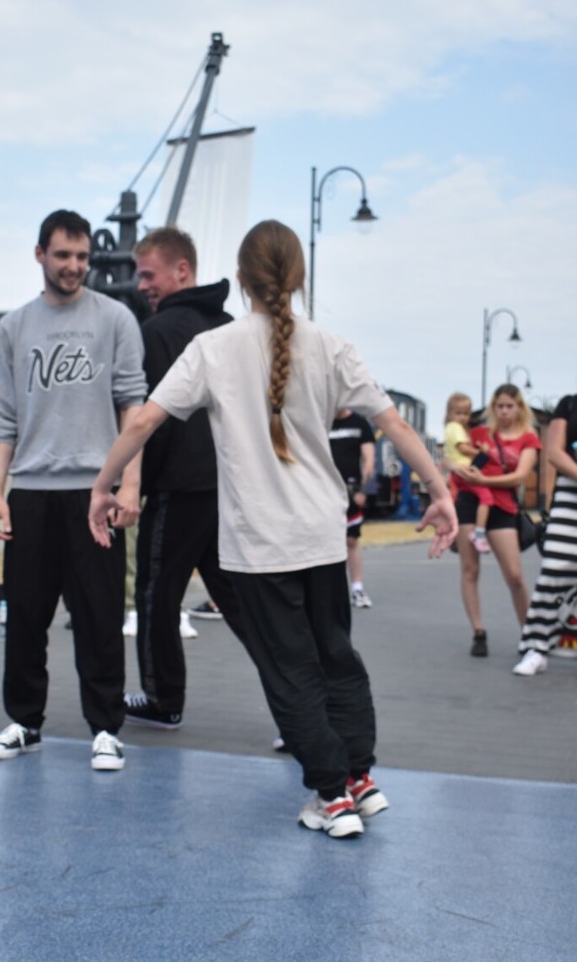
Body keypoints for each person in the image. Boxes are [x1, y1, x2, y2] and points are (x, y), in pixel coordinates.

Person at [90, 219, 457, 838]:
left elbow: (143, 423)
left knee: (291, 669)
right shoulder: (333, 346)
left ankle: (332, 796)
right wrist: (440, 489)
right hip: (319, 535)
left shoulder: (214, 349)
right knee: (336, 657)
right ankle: (359, 779)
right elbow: (394, 425)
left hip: (258, 546)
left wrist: (104, 485)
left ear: (240, 282)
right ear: (298, 279)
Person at [0, 208, 147, 771]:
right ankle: (25, 722)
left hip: (94, 493)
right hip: (29, 490)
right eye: (63, 256)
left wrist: (131, 483)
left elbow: (134, 405)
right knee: (25, 615)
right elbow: (0, 417)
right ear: (40, 255)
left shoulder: (116, 319)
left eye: (82, 257)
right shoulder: (14, 326)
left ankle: (105, 728)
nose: (74, 266)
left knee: (100, 616)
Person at [124, 225, 252, 730]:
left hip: (178, 488)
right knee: (244, 604)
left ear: (182, 270)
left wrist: (137, 486)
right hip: (229, 488)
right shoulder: (230, 328)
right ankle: (297, 706)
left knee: (156, 594)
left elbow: (152, 420)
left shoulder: (157, 333)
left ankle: (163, 699)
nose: (140, 285)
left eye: (148, 274)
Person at [451, 383, 541, 657]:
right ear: (493, 407)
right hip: (470, 502)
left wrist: (485, 479)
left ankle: (529, 633)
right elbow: (455, 455)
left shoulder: (528, 437)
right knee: (470, 570)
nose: (504, 411)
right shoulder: (478, 433)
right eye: (499, 406)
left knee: (514, 575)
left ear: (519, 408)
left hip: (502, 507)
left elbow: (520, 476)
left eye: (509, 406)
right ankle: (478, 631)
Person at [514, 392, 577, 675]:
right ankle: (536, 648)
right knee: (553, 571)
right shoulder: (570, 404)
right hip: (570, 496)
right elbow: (554, 452)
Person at [329, 407, 377, 607]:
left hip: (350, 489)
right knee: (327, 542)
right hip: (323, 489)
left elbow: (369, 459)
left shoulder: (360, 423)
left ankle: (357, 588)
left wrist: (363, 489)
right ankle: (330, 592)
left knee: (351, 540)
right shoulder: (321, 421)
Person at [442, 392, 493, 552]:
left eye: (466, 413)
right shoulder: (456, 428)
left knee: (458, 499)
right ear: (449, 414)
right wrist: (480, 451)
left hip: (457, 472)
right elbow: (462, 448)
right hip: (464, 470)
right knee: (487, 498)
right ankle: (478, 533)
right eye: (458, 413)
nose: (463, 417)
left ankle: (452, 529)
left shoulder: (449, 428)